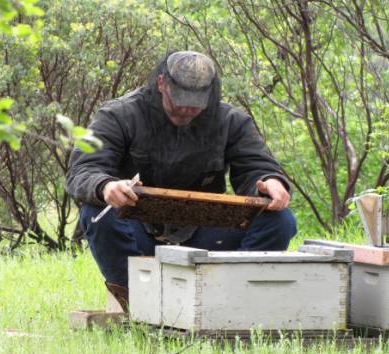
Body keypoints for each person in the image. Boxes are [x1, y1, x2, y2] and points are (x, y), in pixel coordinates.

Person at [65, 50, 297, 311]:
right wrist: (106, 185)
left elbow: (257, 166)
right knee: (98, 212)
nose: (187, 109)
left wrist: (271, 181)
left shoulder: (232, 120)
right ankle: (138, 302)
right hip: (137, 230)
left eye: (196, 103)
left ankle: (231, 301)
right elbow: (82, 170)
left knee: (279, 220)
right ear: (162, 84)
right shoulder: (118, 115)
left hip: (205, 232)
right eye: (180, 101)